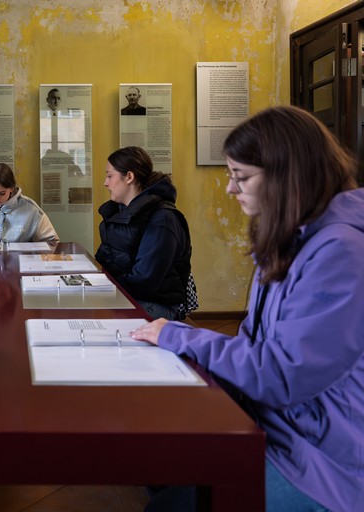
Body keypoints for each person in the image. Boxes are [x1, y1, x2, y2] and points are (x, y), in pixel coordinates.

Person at [131, 106, 364, 512]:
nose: (229, 189)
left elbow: (281, 374)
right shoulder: (289, 239)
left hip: (324, 459)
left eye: (241, 177)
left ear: (288, 176)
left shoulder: (340, 252)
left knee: (170, 505)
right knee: (159, 457)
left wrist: (179, 336)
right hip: (279, 425)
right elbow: (257, 347)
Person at [94, 146, 191, 320]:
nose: (105, 183)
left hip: (160, 306)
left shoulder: (163, 219)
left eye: (109, 176)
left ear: (129, 177)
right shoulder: (118, 213)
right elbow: (104, 262)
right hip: (130, 294)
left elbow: (143, 283)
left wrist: (99, 288)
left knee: (92, 312)